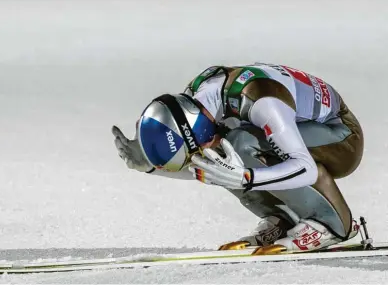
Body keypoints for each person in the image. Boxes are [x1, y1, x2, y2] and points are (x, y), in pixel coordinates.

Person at [112, 62, 363, 253]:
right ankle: (284, 218)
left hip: (343, 137)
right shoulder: (200, 106)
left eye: (192, 150)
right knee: (225, 152)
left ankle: (332, 223)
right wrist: (151, 167)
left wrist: (247, 177)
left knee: (238, 144)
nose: (196, 157)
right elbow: (208, 165)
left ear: (196, 130)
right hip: (302, 128)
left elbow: (304, 167)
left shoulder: (260, 100)